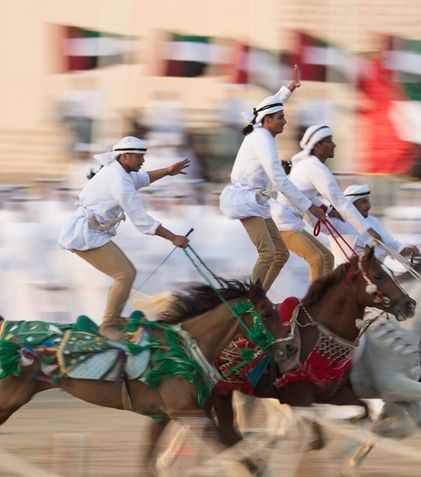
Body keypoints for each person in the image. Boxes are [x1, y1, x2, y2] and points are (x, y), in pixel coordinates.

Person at [58, 136, 190, 340]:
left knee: (128, 273)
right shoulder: (119, 179)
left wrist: (167, 171)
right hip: (86, 235)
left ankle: (114, 318)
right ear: (125, 156)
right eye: (139, 157)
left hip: (95, 232)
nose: (143, 161)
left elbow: (142, 178)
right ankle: (109, 324)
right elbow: (140, 218)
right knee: (125, 275)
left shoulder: (121, 171)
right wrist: (173, 237)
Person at [219, 66, 327, 291]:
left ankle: (260, 297)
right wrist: (308, 207)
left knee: (281, 255)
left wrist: (289, 89)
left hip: (258, 201)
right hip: (245, 201)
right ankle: (250, 302)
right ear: (267, 121)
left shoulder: (260, 127)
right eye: (280, 118)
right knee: (268, 254)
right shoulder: (262, 139)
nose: (285, 122)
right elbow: (279, 180)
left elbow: (269, 105)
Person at [271, 124, 383, 280]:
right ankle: (315, 302)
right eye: (329, 141)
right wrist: (367, 229)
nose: (334, 145)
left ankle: (324, 297)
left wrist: (330, 211)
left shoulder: (308, 164)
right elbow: (341, 202)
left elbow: (309, 197)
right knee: (317, 259)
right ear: (317, 146)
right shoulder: (316, 169)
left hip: (289, 221)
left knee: (328, 258)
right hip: (282, 222)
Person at [326, 184, 418, 267]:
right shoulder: (338, 222)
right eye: (364, 202)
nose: (369, 205)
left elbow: (392, 246)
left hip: (379, 273)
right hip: (350, 277)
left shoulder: (373, 221)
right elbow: (317, 218)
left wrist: (407, 250)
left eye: (368, 201)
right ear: (351, 205)